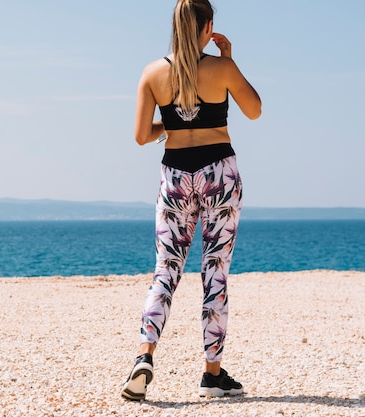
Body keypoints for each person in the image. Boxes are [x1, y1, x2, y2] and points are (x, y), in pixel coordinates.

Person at [120, 0, 261, 401]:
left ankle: (144, 356)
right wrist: (229, 60)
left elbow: (142, 136)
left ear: (173, 25)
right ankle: (211, 375)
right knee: (214, 272)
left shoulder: (152, 73)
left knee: (166, 269)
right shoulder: (222, 67)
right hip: (219, 173)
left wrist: (176, 120)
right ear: (209, 26)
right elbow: (255, 110)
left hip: (175, 176)